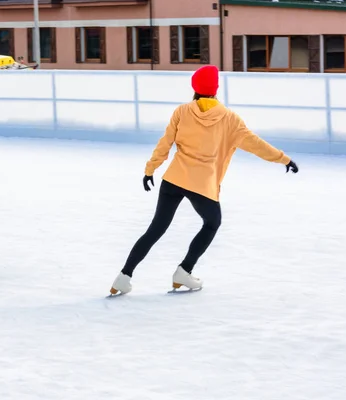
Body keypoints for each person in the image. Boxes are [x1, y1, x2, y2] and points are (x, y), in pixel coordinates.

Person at [109, 65, 298, 295]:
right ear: (215, 89)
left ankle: (124, 276)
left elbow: (165, 143)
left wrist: (151, 169)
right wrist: (284, 159)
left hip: (174, 179)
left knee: (156, 229)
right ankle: (184, 270)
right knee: (212, 223)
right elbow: (256, 144)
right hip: (202, 185)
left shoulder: (182, 111)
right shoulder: (230, 119)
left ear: (195, 88)